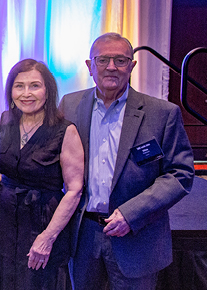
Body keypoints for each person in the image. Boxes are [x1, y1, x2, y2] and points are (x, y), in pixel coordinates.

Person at [59, 33, 194, 290]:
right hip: (83, 236)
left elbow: (180, 174)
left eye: (120, 60)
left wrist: (131, 214)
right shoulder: (70, 105)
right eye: (103, 60)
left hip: (138, 236)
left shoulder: (162, 113)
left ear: (132, 66)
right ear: (89, 66)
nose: (112, 67)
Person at [0, 59, 84, 289]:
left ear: (48, 91)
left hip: (42, 222)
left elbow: (74, 190)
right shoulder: (7, 120)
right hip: (4, 220)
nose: (27, 93)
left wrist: (48, 237)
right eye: (19, 86)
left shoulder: (65, 130)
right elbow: (1, 159)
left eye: (35, 85)